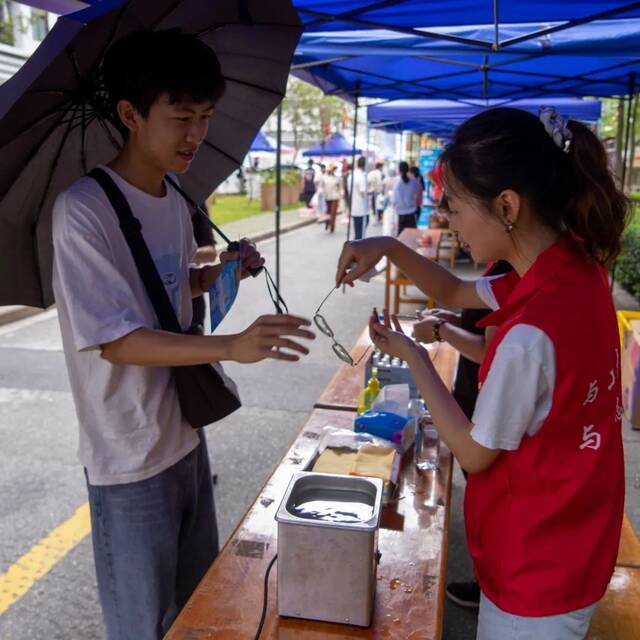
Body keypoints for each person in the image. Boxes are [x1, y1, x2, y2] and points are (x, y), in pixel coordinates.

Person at [51, 30, 315, 640]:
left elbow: (167, 291)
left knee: (199, 605)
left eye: (206, 117)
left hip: (184, 436)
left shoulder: (172, 194)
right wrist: (230, 345)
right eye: (181, 118)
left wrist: (217, 273)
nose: (196, 134)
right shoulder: (83, 210)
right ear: (129, 115)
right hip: (128, 454)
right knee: (144, 623)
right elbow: (116, 339)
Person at [336, 106, 627, 640]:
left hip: (536, 569)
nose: (447, 220)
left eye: (455, 206)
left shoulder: (530, 333)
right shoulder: (569, 267)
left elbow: (473, 451)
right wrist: (388, 246)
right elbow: (450, 292)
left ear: (507, 206)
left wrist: (414, 356)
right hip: (576, 537)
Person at [391, 161, 421, 235]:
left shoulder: (396, 180)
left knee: (400, 237)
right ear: (408, 169)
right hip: (411, 212)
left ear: (399, 170)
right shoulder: (413, 180)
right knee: (412, 236)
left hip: (400, 213)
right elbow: (418, 191)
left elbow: (393, 199)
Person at [350, 156, 369, 240]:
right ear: (365, 165)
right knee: (360, 234)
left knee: (357, 232)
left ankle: (355, 250)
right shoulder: (361, 176)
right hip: (361, 208)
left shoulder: (352, 175)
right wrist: (370, 191)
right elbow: (363, 192)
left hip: (354, 207)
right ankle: (357, 251)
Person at [321, 163, 342, 233]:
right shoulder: (324, 177)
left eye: (334, 169)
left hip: (335, 197)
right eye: (332, 169)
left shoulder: (337, 178)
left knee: (333, 213)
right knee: (328, 211)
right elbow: (320, 187)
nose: (333, 170)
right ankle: (327, 222)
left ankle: (332, 228)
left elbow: (340, 188)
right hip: (327, 197)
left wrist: (341, 193)